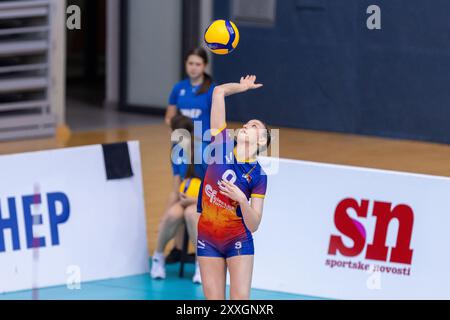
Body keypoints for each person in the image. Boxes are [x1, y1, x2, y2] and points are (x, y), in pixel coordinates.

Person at [197, 75, 271, 299]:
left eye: (254, 126)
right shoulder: (220, 144)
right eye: (247, 124)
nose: (247, 125)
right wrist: (243, 87)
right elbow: (218, 91)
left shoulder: (258, 176)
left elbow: (255, 224)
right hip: (207, 237)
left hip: (238, 239)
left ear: (261, 141)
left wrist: (241, 199)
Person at [163, 48, 215, 263]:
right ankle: (176, 248)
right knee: (176, 194)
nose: (193, 67)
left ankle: (197, 251)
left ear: (204, 66)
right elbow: (169, 117)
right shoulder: (179, 89)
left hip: (203, 150)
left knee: (195, 198)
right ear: (186, 64)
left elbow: (216, 121)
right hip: (182, 146)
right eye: (190, 63)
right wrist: (179, 131)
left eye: (198, 64)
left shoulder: (211, 90)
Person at [151, 114, 204, 283]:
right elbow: (176, 187)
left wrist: (196, 200)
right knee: (172, 215)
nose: (169, 134)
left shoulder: (203, 152)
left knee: (191, 214)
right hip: (184, 199)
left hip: (203, 201)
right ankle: (158, 258)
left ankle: (200, 263)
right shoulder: (177, 151)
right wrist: (165, 214)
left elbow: (216, 186)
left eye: (171, 131)